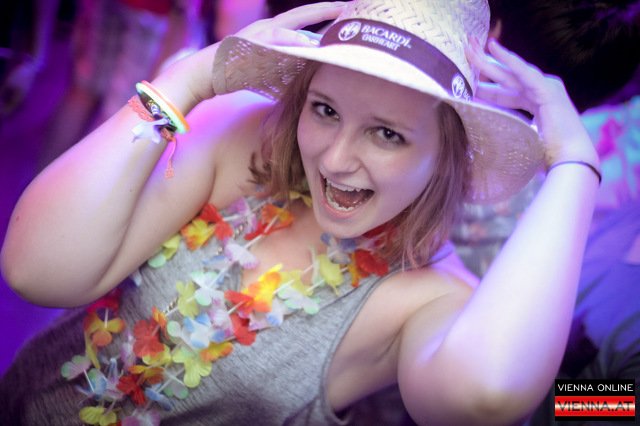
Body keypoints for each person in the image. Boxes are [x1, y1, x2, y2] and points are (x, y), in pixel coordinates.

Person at [0, 1, 601, 425]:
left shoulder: (441, 292)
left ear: (451, 150)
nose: (335, 160)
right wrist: (189, 79)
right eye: (325, 110)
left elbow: (497, 393)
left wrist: (575, 164)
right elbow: (35, 270)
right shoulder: (243, 140)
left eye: (388, 134)